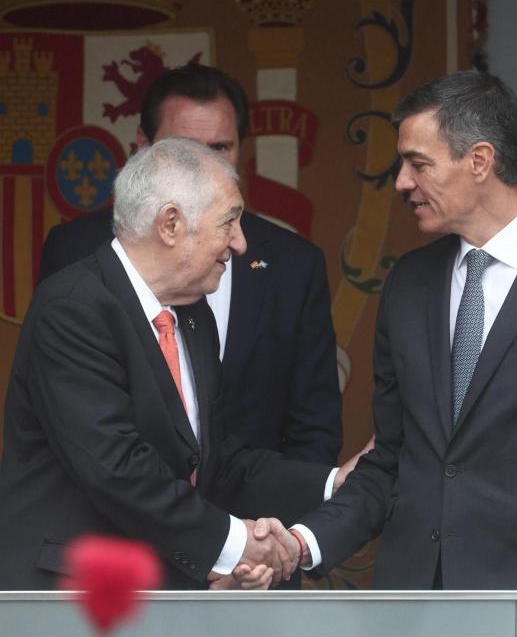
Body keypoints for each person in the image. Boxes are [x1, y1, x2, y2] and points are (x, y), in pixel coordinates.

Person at [273, 71, 517, 590]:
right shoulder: (409, 281)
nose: (402, 181)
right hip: (412, 596)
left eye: (418, 164)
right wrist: (301, 544)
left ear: (479, 161)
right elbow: (392, 455)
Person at [0, 138, 336, 590]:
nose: (240, 243)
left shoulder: (192, 316)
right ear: (171, 224)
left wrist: (332, 483)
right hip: (73, 595)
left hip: (159, 594)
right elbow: (117, 468)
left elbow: (215, 460)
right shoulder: (72, 308)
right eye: (229, 221)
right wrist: (236, 542)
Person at [38, 63, 342, 468]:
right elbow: (70, 427)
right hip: (112, 502)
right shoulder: (75, 254)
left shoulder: (294, 264)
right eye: (184, 151)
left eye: (220, 148)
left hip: (250, 501)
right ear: (142, 147)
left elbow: (313, 429)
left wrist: (309, 496)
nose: (204, 167)